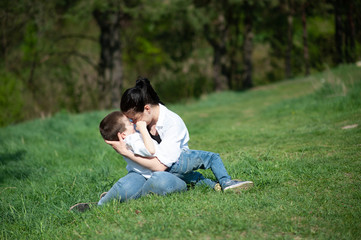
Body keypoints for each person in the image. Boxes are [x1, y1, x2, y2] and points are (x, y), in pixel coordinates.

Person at [106, 77, 254, 193]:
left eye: (134, 118)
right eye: (130, 120)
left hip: (173, 164)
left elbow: (161, 166)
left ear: (147, 108)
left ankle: (225, 183)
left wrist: (128, 153)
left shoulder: (172, 122)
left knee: (196, 169)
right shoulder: (141, 124)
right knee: (193, 176)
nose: (132, 123)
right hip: (160, 169)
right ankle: (221, 184)